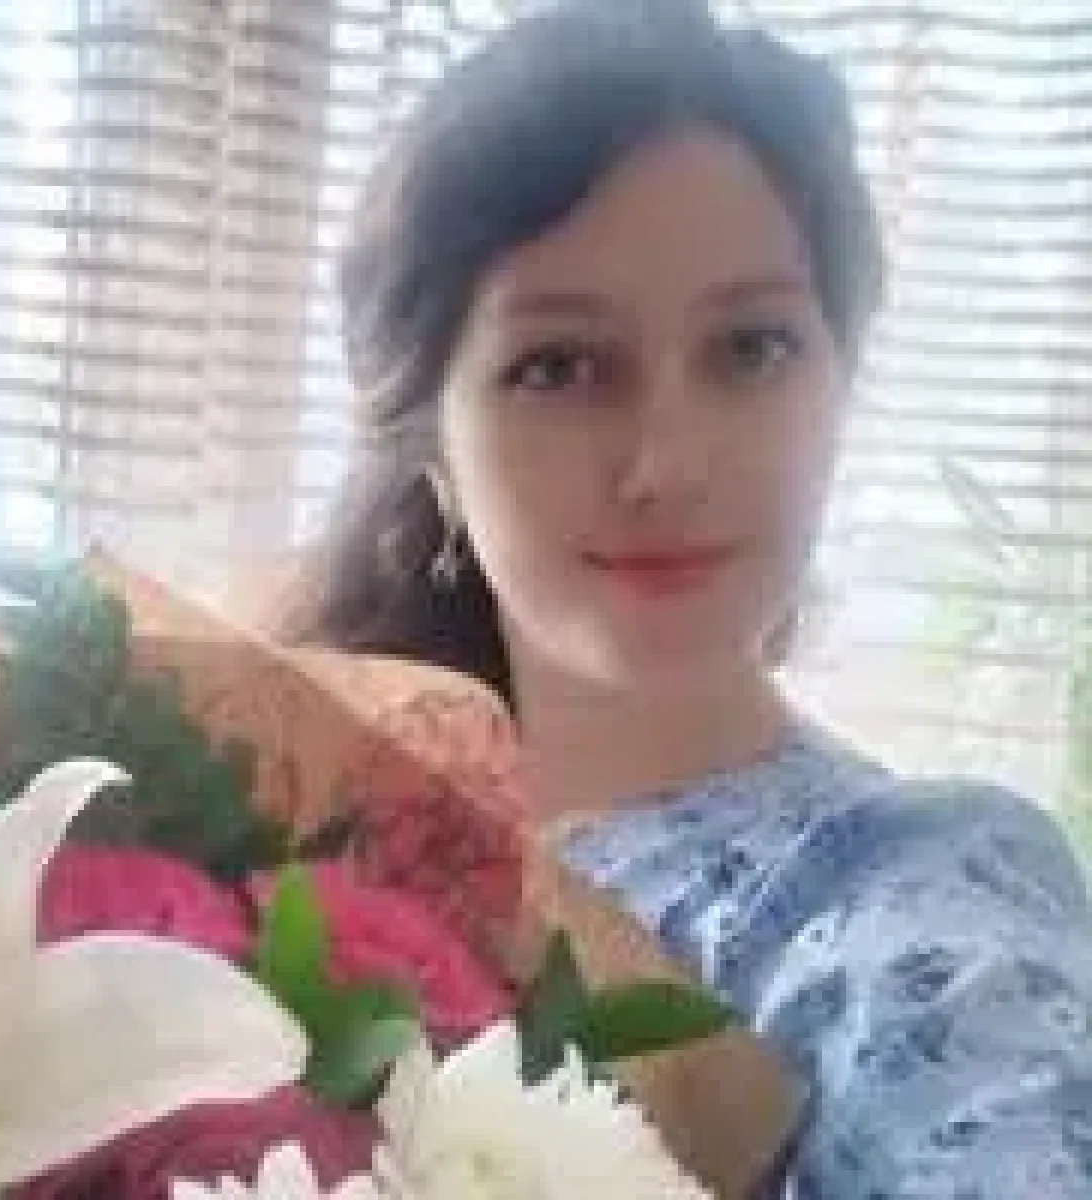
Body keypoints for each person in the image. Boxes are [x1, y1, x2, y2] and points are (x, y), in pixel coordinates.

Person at [292, 1, 1092, 1194]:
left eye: (751, 348)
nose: (667, 465)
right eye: (560, 367)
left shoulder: (915, 907)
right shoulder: (284, 805)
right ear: (432, 449)